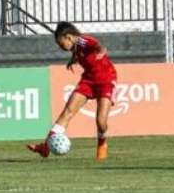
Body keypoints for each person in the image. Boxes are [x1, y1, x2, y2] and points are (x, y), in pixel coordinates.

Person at [28, 22, 117, 161]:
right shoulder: (74, 48)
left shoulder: (83, 40)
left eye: (60, 43)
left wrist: (100, 51)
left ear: (68, 37)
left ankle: (102, 143)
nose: (60, 47)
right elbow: (81, 53)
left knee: (101, 121)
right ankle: (45, 147)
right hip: (88, 80)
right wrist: (73, 60)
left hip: (105, 79)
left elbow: (96, 45)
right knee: (67, 111)